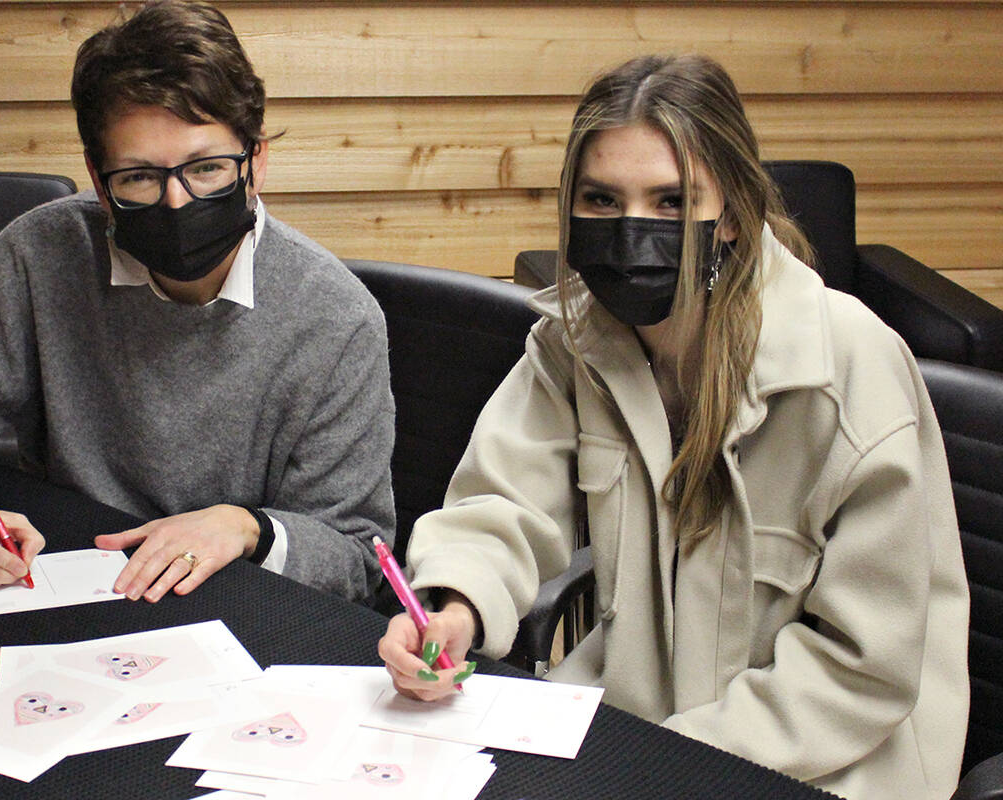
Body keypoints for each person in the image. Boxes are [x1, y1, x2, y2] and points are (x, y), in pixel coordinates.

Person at [377, 54, 968, 799]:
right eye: (602, 199)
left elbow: (863, 670)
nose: (632, 232)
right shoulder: (575, 344)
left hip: (824, 761)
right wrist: (454, 607)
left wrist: (667, 762)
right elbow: (501, 503)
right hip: (639, 730)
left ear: (733, 209)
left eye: (670, 201)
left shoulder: (848, 369)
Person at [0, 0, 395, 606]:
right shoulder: (42, 253)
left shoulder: (338, 319)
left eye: (208, 168)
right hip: (63, 587)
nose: (178, 203)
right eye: (138, 177)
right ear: (98, 180)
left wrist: (248, 527)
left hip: (244, 608)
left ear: (256, 161)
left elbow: (356, 556)